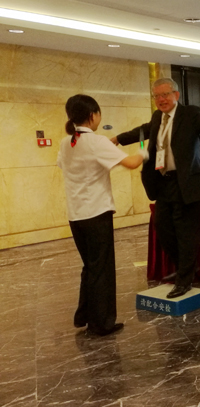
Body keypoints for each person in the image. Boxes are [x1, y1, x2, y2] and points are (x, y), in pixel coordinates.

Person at [112, 78, 200, 298]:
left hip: (187, 183)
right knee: (163, 229)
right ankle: (186, 268)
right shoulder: (157, 117)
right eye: (157, 96)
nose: (161, 99)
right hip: (163, 183)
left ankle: (184, 280)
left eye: (165, 94)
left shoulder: (190, 114)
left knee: (187, 234)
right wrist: (118, 138)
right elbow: (143, 130)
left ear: (176, 95)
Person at [58, 94, 147, 336]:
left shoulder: (66, 143)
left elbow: (66, 165)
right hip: (96, 213)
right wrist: (144, 152)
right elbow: (131, 162)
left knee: (90, 266)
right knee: (102, 269)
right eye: (98, 114)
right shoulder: (96, 142)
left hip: (76, 215)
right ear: (92, 115)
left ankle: (86, 316)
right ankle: (102, 323)